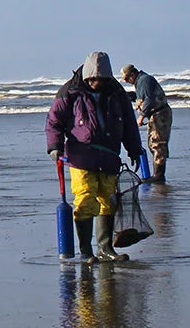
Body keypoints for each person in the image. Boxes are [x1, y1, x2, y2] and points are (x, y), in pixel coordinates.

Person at [45, 51, 144, 263]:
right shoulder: (69, 92)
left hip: (108, 156)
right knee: (84, 198)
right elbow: (54, 122)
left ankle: (105, 248)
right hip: (82, 157)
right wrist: (54, 146)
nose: (95, 83)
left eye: (99, 79)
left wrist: (135, 149)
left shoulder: (117, 94)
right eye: (91, 79)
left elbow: (128, 125)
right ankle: (86, 251)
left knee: (108, 198)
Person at [121, 64, 171, 183]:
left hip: (160, 115)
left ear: (133, 74)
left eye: (128, 79)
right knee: (152, 144)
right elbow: (141, 97)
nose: (127, 81)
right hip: (155, 116)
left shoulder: (144, 80)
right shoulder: (140, 82)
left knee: (158, 144)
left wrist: (141, 117)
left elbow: (149, 99)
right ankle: (156, 174)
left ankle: (158, 176)